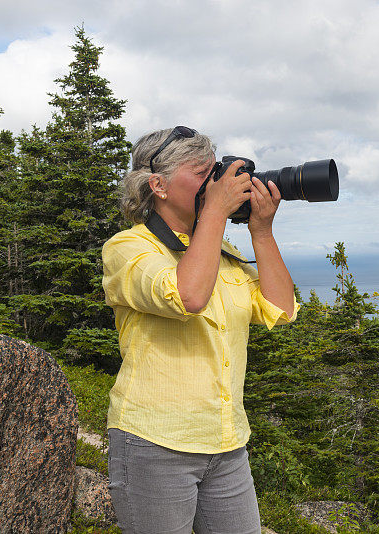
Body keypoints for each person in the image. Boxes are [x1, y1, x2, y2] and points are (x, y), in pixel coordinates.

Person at [102, 126, 299, 534]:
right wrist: (215, 211)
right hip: (155, 443)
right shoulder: (129, 248)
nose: (217, 185)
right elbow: (187, 296)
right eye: (202, 174)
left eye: (217, 173)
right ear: (157, 184)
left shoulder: (222, 255)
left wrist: (261, 231)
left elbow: (280, 310)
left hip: (227, 444)